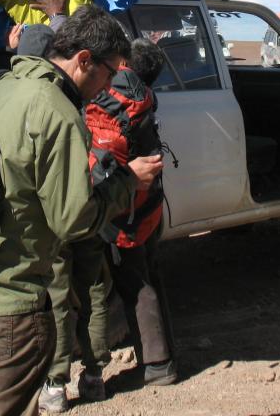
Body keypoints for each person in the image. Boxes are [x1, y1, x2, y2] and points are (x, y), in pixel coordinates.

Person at [0, 6, 164, 416]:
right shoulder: (60, 112)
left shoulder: (2, 84)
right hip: (15, 297)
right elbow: (73, 221)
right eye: (107, 73)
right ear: (83, 60)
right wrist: (128, 182)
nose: (107, 86)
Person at [95, 39, 178, 389]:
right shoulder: (144, 95)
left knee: (135, 284)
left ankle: (159, 363)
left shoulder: (107, 98)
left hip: (122, 209)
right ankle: (166, 354)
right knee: (149, 274)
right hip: (148, 203)